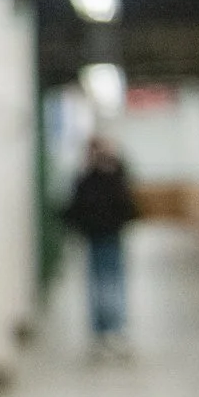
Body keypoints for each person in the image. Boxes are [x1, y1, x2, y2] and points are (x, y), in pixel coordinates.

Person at [64, 133, 138, 359]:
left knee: (112, 284)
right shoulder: (86, 178)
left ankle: (115, 330)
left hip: (111, 238)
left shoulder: (115, 175)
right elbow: (76, 207)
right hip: (95, 238)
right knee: (99, 285)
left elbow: (126, 203)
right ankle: (101, 333)